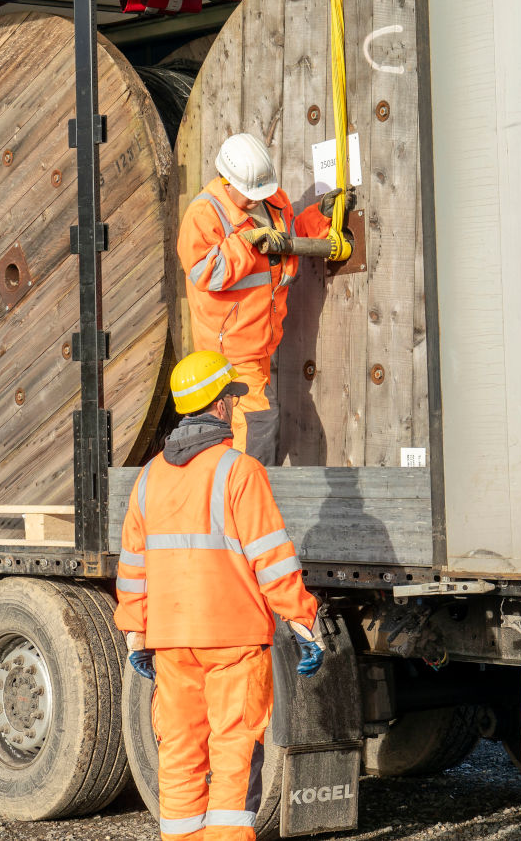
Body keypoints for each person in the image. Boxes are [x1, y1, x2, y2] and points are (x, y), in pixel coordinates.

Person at [114, 349, 325, 841]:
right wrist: (303, 622)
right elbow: (272, 559)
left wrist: (137, 636)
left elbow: (133, 570)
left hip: (171, 643)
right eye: (232, 395)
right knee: (233, 758)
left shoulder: (148, 479)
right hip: (232, 643)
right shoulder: (239, 471)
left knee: (181, 756)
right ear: (223, 405)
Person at [177, 132, 352, 463]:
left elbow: (290, 239)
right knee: (258, 424)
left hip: (260, 346)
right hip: (230, 354)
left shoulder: (274, 200)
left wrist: (321, 216)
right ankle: (243, 501)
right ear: (226, 180)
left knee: (251, 429)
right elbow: (207, 273)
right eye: (248, 194)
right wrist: (247, 242)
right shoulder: (204, 214)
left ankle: (240, 497)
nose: (255, 200)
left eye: (261, 192)